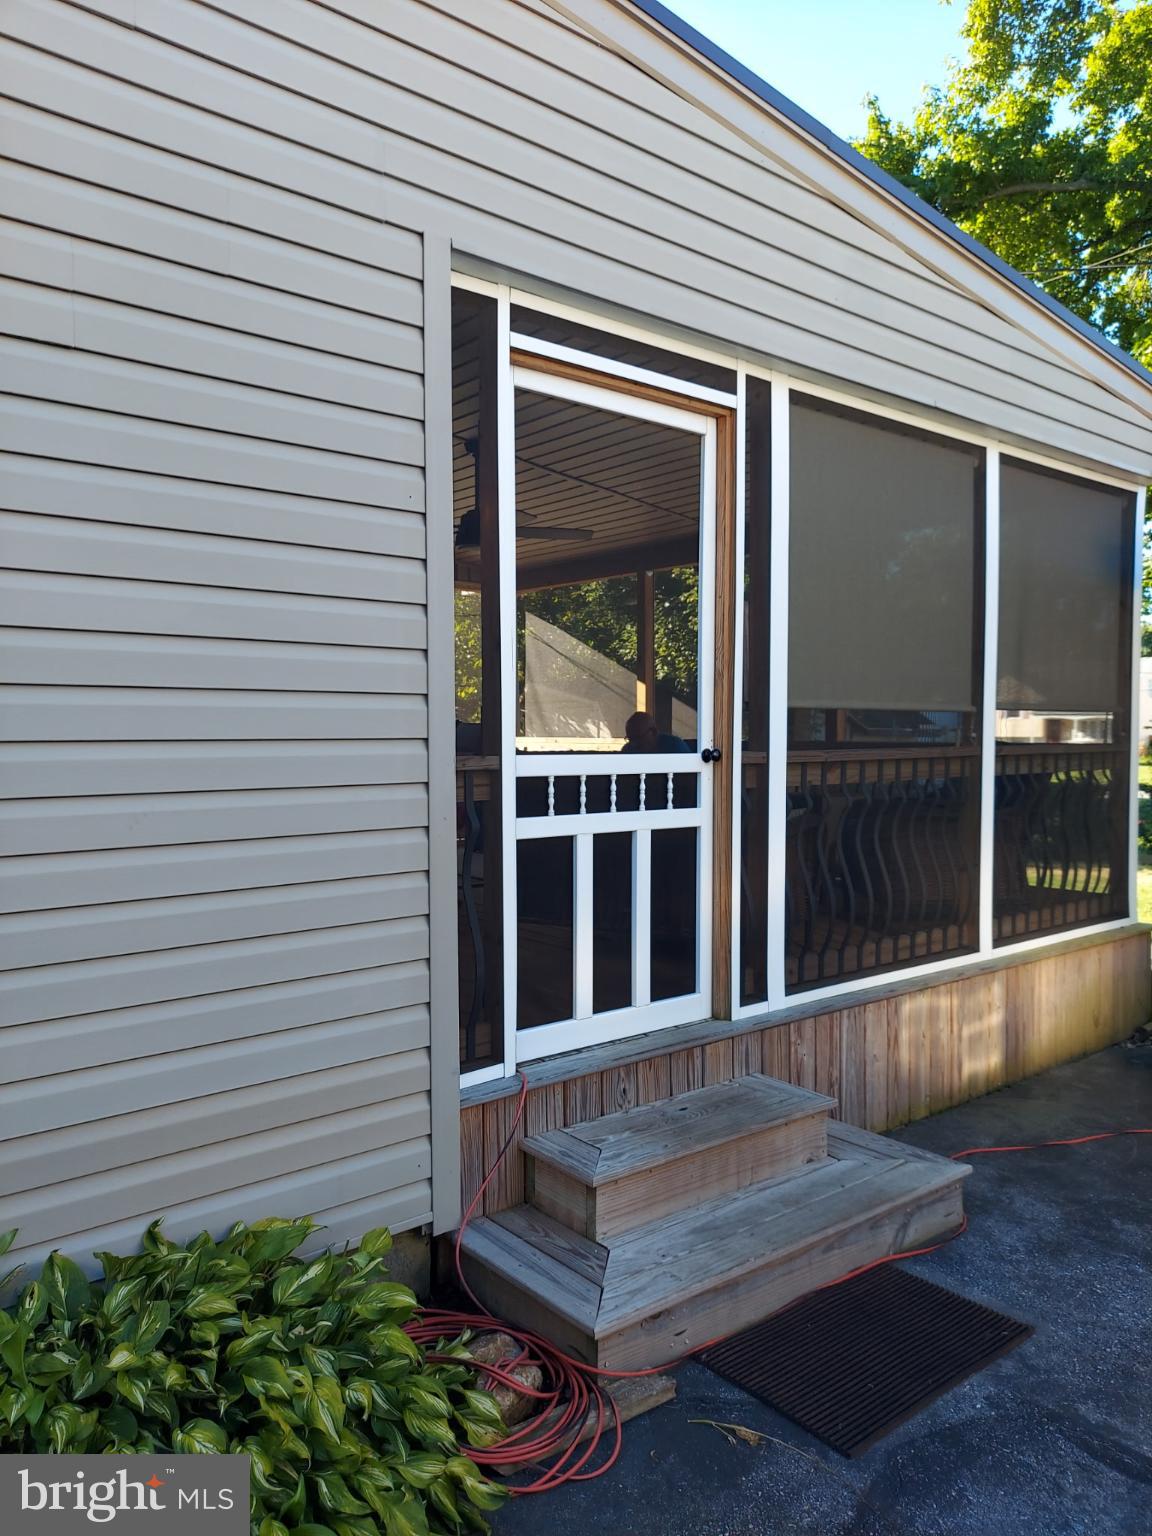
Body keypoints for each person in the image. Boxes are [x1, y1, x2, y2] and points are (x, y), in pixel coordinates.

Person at [620, 710, 691, 754]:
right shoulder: (628, 750)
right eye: (630, 739)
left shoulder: (675, 747)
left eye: (638, 738)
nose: (633, 744)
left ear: (653, 732)